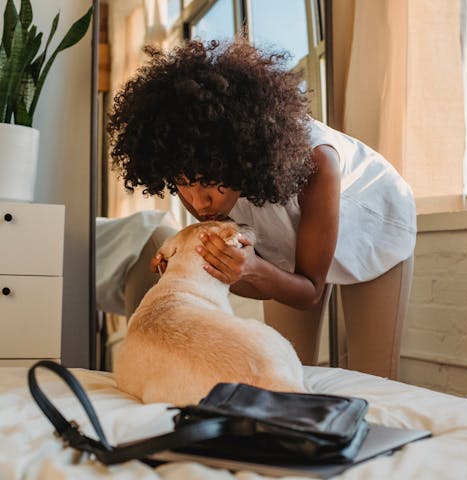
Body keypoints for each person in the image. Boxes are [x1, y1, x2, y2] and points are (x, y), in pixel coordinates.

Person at [107, 39, 416, 379]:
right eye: (183, 183)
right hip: (293, 244)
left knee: (373, 379)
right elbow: (252, 279)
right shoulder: (196, 175)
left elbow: (309, 291)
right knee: (282, 372)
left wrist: (252, 268)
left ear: (242, 158)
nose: (198, 202)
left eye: (209, 181)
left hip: (372, 224)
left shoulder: (316, 162)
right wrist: (200, 265)